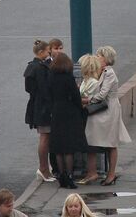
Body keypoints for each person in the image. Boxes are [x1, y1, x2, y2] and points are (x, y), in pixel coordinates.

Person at [84, 46, 130, 185]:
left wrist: (87, 100)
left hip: (109, 110)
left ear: (106, 59)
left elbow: (102, 94)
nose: (97, 58)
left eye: (99, 56)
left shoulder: (109, 73)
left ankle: (111, 174)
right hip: (104, 109)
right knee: (96, 138)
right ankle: (97, 172)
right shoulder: (103, 71)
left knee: (111, 142)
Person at [46, 53, 88, 189]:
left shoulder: (51, 77)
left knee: (58, 148)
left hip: (56, 112)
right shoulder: (68, 78)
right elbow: (76, 97)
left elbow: (49, 95)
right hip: (69, 112)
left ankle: (62, 175)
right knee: (68, 148)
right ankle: (69, 175)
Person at [23, 40, 54, 183]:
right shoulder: (40, 68)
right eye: (48, 51)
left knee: (44, 137)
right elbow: (45, 89)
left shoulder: (32, 67)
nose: (50, 54)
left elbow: (29, 88)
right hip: (44, 108)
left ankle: (45, 169)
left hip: (37, 106)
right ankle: (43, 169)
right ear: (41, 52)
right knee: (45, 137)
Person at [75, 55, 102, 185]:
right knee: (88, 144)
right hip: (85, 116)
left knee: (91, 145)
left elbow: (91, 98)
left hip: (90, 116)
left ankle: (92, 172)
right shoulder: (87, 81)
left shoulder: (93, 82)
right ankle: (90, 172)